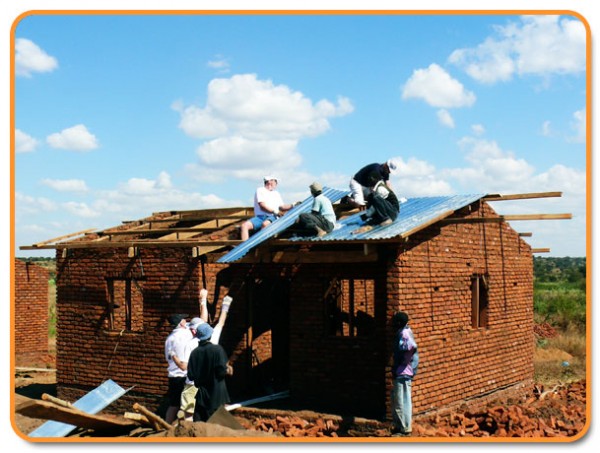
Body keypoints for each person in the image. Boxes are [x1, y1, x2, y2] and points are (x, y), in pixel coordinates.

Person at [172, 290, 234, 421]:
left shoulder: (189, 343)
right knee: (212, 415)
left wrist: (203, 301)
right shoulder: (214, 340)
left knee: (190, 415)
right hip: (212, 386)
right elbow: (220, 322)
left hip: (193, 385)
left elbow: (187, 369)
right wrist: (225, 305)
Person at [187, 322, 234, 422]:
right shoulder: (217, 350)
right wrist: (228, 369)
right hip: (217, 396)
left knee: (201, 429)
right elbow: (221, 372)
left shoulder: (194, 353)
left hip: (201, 397)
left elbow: (190, 376)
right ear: (210, 335)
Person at [390, 311, 419, 436]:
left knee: (401, 401)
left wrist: (402, 363)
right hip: (404, 372)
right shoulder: (406, 331)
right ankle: (402, 426)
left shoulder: (404, 333)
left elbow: (410, 348)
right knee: (401, 400)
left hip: (403, 372)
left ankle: (404, 428)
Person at [240, 176, 295, 241]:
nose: (276, 184)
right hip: (260, 217)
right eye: (275, 182)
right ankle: (245, 248)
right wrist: (274, 211)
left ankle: (259, 243)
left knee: (265, 224)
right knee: (244, 226)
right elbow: (262, 206)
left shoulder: (276, 193)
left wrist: (292, 205)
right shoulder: (260, 190)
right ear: (270, 181)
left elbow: (282, 207)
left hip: (272, 217)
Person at [164, 312, 192, 423]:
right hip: (185, 376)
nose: (186, 321)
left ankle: (166, 428)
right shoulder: (186, 334)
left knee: (173, 405)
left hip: (173, 376)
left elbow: (168, 357)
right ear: (181, 324)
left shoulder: (169, 339)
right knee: (188, 406)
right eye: (184, 320)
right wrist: (203, 302)